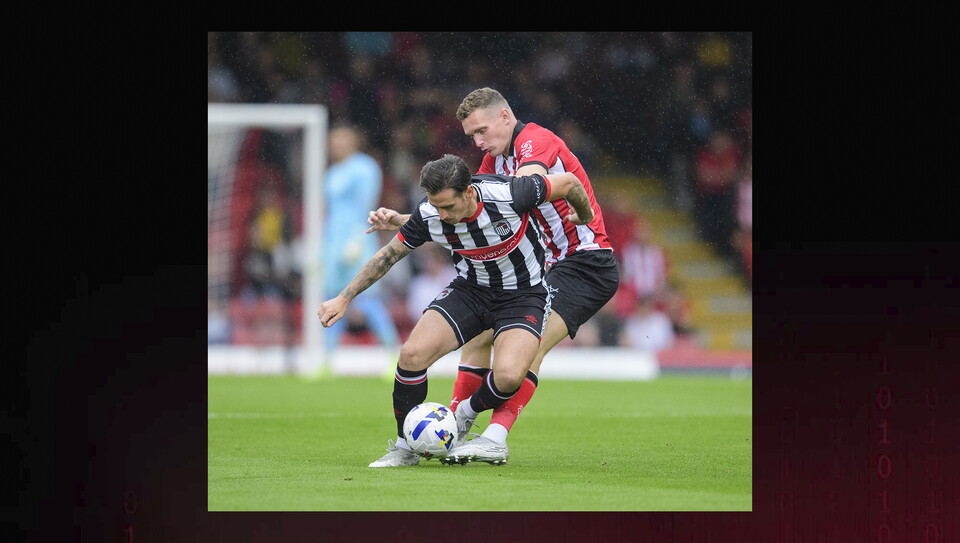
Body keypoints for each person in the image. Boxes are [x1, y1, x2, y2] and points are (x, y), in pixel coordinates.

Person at [365, 87, 619, 465]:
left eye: (483, 131)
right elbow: (467, 214)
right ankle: (451, 424)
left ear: (505, 117)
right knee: (481, 336)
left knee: (527, 348)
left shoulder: (536, 141)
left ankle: (492, 434)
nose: (479, 141)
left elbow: (527, 186)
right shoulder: (492, 163)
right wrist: (405, 220)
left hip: (585, 262)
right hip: (546, 263)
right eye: (472, 136)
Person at [318, 154, 596, 467]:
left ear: (469, 192)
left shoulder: (511, 193)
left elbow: (569, 182)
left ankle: (464, 413)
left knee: (507, 376)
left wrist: (583, 215)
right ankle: (403, 447)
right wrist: (344, 297)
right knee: (411, 355)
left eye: (448, 206)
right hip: (471, 290)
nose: (442, 214)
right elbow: (387, 256)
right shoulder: (430, 214)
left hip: (523, 295)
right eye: (436, 206)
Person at [322, 124, 400, 353]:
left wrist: (356, 238)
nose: (335, 146)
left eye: (340, 141)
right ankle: (326, 359)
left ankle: (392, 354)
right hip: (333, 241)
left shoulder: (365, 167)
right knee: (331, 296)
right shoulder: (332, 172)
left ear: (352, 142)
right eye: (332, 142)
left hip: (356, 239)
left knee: (367, 297)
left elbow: (367, 203)